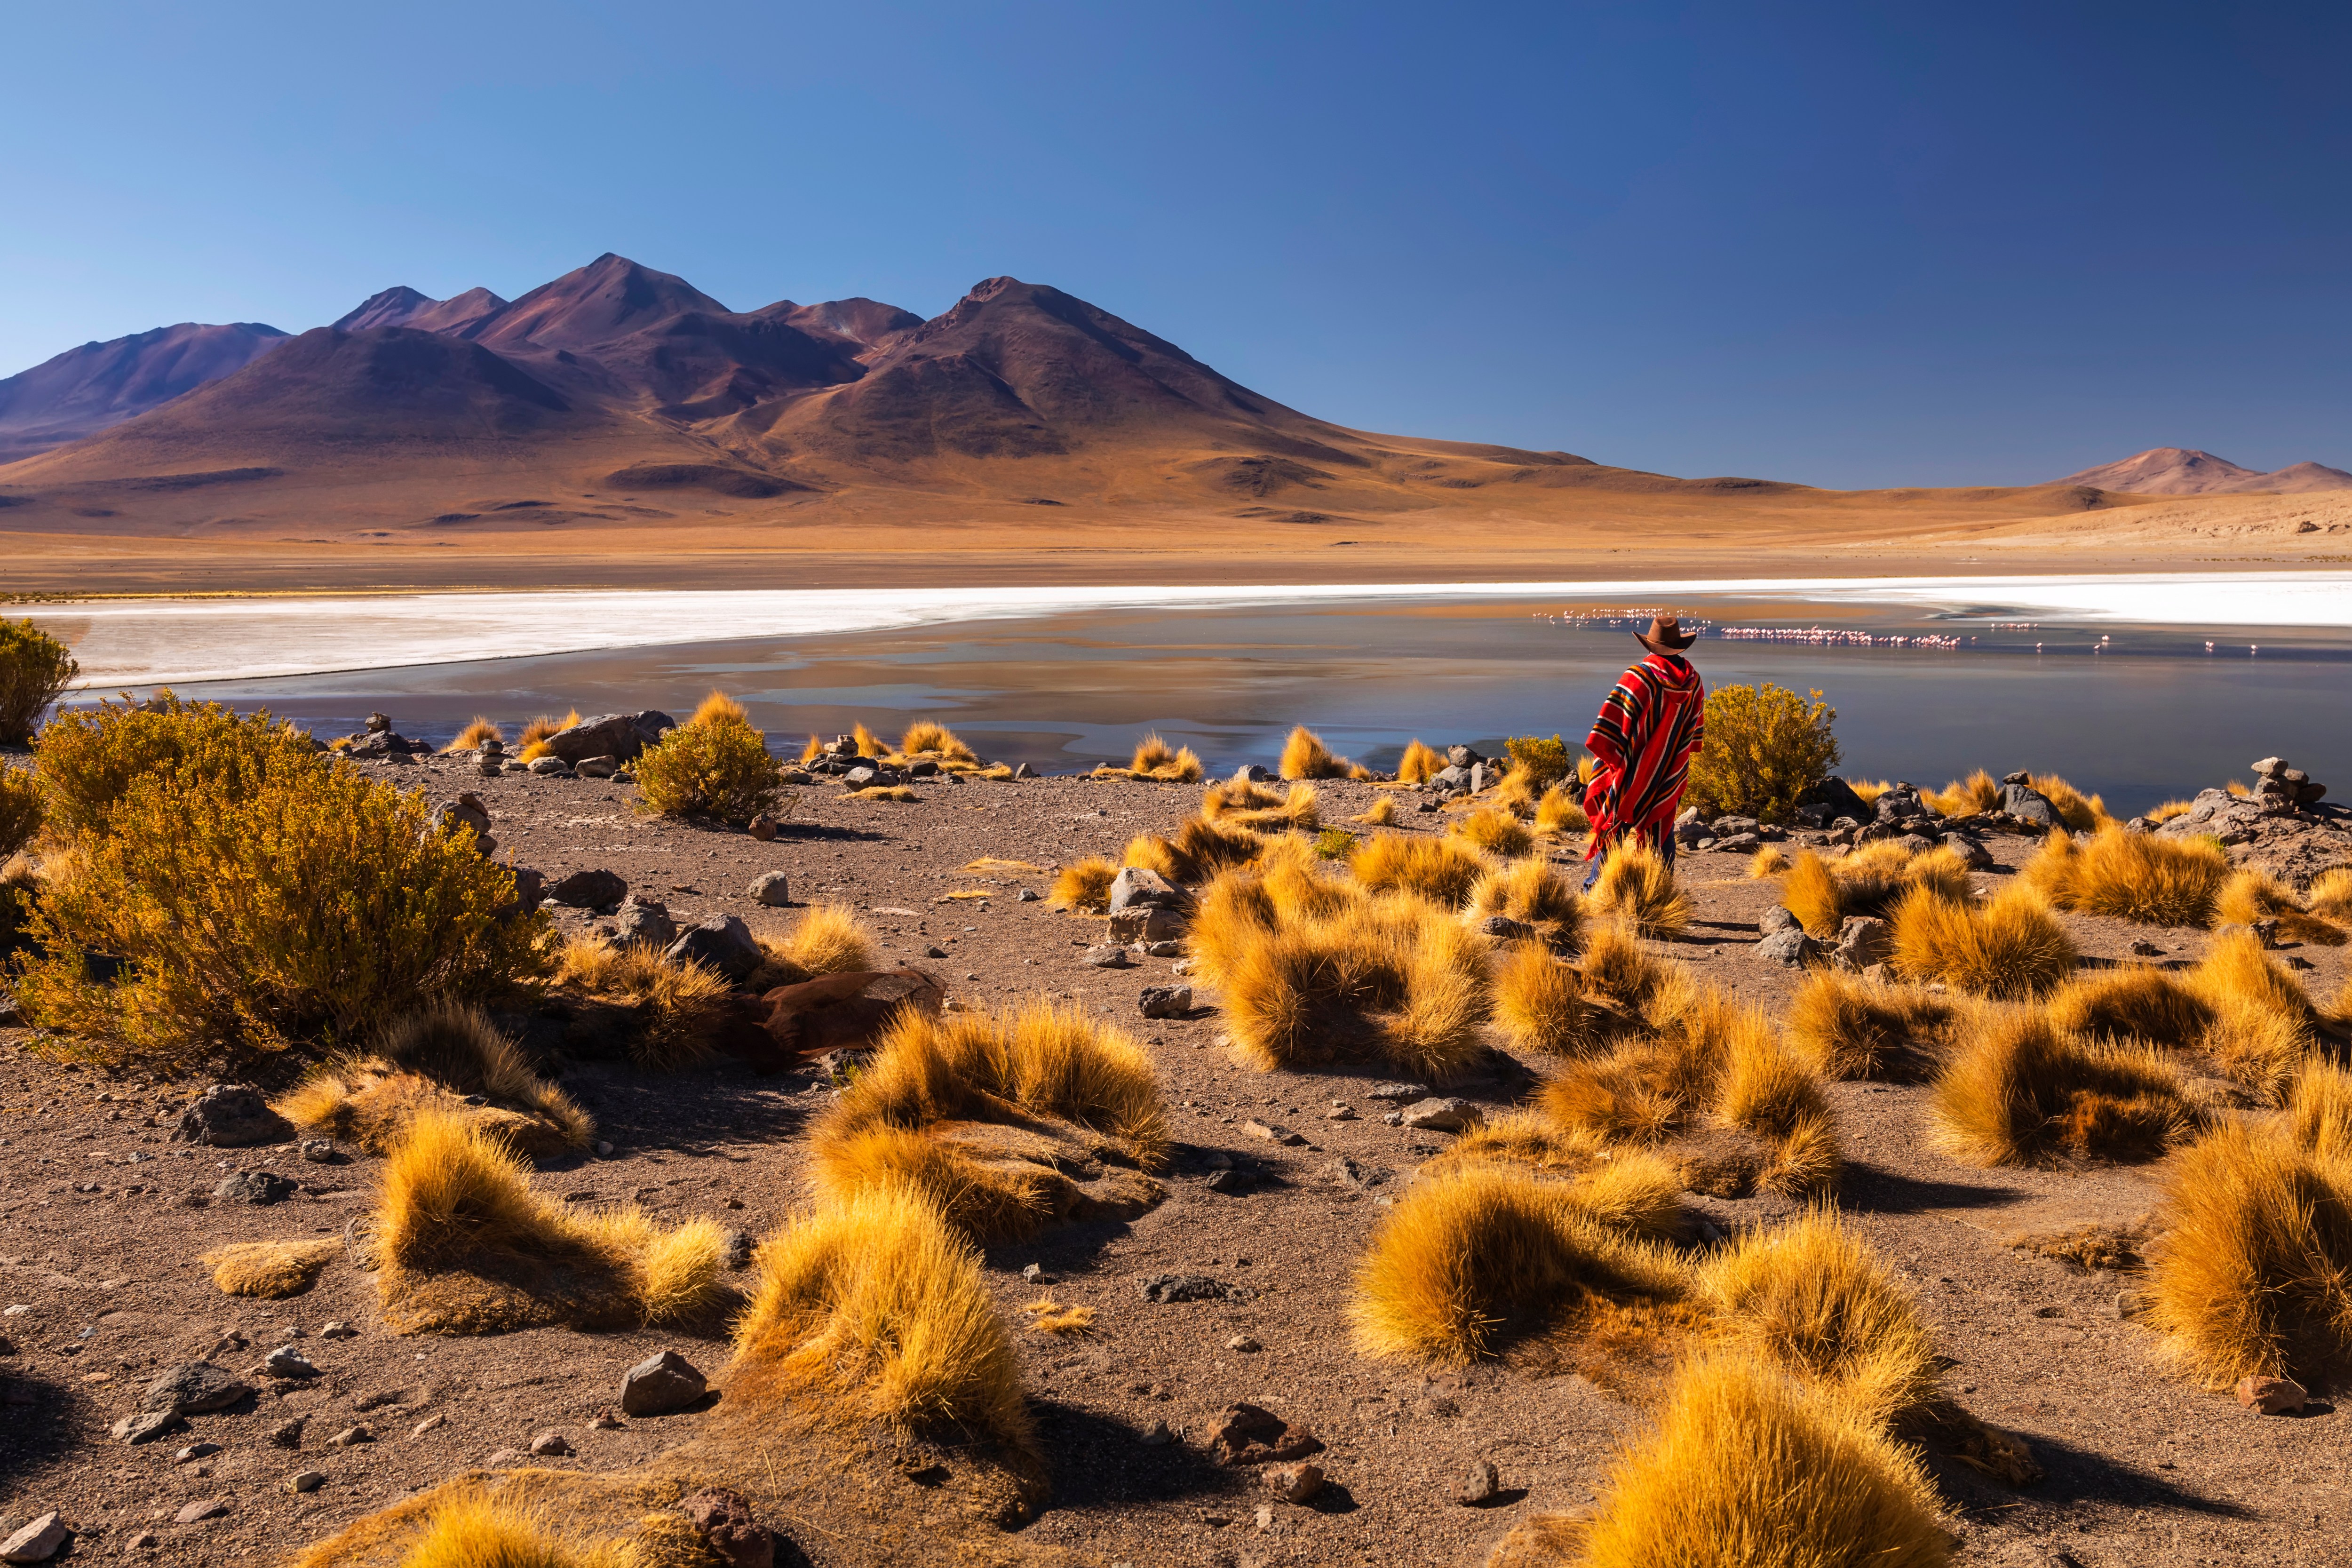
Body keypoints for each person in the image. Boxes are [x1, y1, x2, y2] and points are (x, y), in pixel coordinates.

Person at [1581, 614, 1707, 889]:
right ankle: (1658, 890)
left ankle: (1593, 889)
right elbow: (1693, 734)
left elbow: (1612, 726)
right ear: (1679, 647)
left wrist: (1612, 761)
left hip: (1632, 770)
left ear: (1650, 645)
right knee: (1662, 826)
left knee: (1614, 825)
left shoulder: (1638, 678)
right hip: (1668, 769)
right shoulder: (1694, 682)